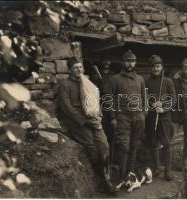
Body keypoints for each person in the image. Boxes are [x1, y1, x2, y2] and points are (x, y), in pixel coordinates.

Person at [57, 58, 117, 194]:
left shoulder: (87, 81)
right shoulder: (65, 85)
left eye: (80, 67)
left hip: (93, 119)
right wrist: (82, 120)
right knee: (92, 146)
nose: (79, 70)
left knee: (104, 145)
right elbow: (66, 107)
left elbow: (95, 99)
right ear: (70, 70)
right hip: (78, 122)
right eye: (75, 67)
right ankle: (103, 180)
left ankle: (108, 176)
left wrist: (98, 115)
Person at [109, 50, 146, 186]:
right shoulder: (115, 79)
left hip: (138, 118)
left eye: (132, 61)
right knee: (123, 146)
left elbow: (144, 97)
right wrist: (113, 117)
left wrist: (143, 114)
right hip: (123, 117)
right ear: (122, 62)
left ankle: (130, 175)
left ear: (135, 63)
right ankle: (122, 176)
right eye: (127, 61)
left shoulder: (140, 79)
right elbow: (110, 100)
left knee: (134, 145)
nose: (130, 64)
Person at [145, 55, 176, 181]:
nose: (155, 69)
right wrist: (151, 104)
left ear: (161, 67)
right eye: (153, 67)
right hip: (151, 117)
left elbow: (173, 99)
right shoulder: (147, 81)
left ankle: (167, 171)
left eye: (157, 66)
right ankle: (157, 167)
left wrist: (163, 106)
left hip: (164, 117)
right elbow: (144, 98)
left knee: (166, 144)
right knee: (153, 143)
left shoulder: (167, 81)